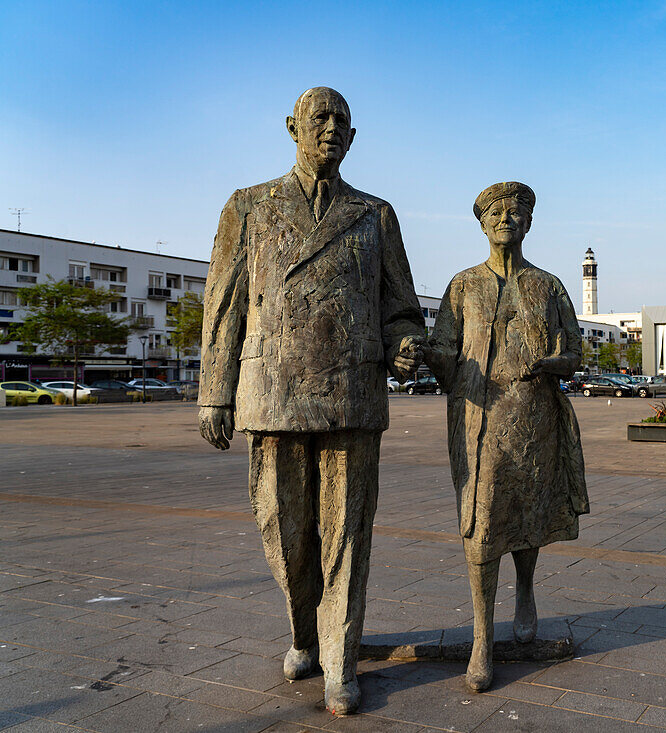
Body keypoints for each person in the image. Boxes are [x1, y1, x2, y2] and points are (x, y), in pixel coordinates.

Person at [198, 88, 425, 715]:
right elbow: (223, 307)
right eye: (320, 118)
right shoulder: (248, 207)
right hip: (271, 393)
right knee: (283, 529)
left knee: (347, 534)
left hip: (350, 392)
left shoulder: (375, 215)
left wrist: (404, 342)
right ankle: (304, 631)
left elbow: (400, 306)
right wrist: (214, 393)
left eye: (342, 122)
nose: (331, 129)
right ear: (292, 126)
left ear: (353, 138)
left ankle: (339, 661)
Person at [425, 182, 589, 693]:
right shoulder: (462, 286)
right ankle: (481, 636)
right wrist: (424, 354)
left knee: (528, 510)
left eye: (517, 212)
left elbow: (577, 353)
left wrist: (554, 362)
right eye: (496, 212)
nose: (507, 219)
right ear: (481, 222)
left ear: (530, 222)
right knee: (482, 519)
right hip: (478, 420)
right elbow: (444, 355)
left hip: (534, 417)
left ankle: (525, 592)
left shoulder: (549, 286)